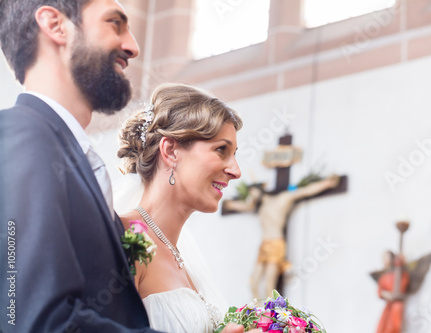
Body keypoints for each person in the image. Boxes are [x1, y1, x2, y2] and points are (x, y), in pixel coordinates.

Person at [0, 0, 164, 331]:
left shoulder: (69, 150)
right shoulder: (24, 134)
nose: (132, 46)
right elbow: (34, 319)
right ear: (55, 25)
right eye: (114, 24)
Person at [117, 83, 260, 333]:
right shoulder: (125, 236)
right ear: (171, 151)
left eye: (234, 154)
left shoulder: (185, 259)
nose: (236, 171)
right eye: (221, 150)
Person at [222, 175, 341, 299]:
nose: (251, 196)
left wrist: (326, 183)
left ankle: (271, 316)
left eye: (252, 192)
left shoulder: (282, 199)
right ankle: (256, 314)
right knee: (253, 282)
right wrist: (228, 204)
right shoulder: (259, 207)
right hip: (264, 245)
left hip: (276, 244)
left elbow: (304, 191)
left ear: (259, 189)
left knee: (269, 285)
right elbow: (240, 205)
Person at [375, 251, 410, 333]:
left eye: (388, 257)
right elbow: (380, 291)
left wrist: (401, 266)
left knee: (395, 324)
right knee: (384, 326)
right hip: (389, 305)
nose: (386, 260)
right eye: (384, 258)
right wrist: (386, 294)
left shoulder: (400, 273)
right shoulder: (384, 277)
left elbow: (404, 283)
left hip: (397, 304)